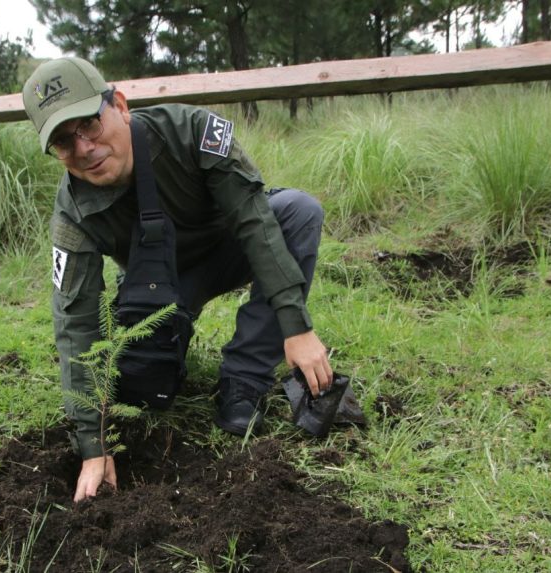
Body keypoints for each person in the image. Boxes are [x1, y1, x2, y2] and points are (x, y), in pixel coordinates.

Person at [22, 57, 333, 502]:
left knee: (298, 211)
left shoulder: (192, 130)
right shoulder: (73, 212)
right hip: (159, 290)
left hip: (230, 249)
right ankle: (166, 352)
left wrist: (296, 326)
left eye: (88, 124)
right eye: (63, 141)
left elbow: (253, 220)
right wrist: (94, 444)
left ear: (121, 105)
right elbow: (75, 321)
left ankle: (242, 381)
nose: (84, 147)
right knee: (140, 390)